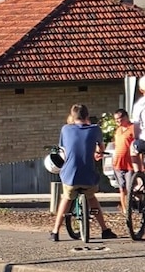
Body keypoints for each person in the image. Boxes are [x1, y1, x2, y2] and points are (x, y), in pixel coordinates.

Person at [50, 103, 118, 241]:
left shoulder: (65, 129)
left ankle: (55, 231)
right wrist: (97, 153)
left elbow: (63, 148)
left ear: (72, 116)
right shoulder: (95, 129)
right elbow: (100, 148)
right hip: (88, 175)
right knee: (91, 197)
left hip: (70, 175)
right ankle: (104, 229)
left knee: (66, 198)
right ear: (87, 116)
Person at [113, 109, 135, 213]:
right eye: (116, 120)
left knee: (130, 188)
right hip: (118, 163)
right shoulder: (118, 130)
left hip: (130, 164)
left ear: (126, 117)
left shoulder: (133, 129)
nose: (117, 122)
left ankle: (135, 206)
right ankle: (125, 209)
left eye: (119, 119)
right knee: (122, 188)